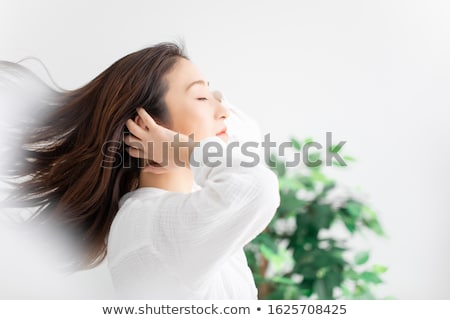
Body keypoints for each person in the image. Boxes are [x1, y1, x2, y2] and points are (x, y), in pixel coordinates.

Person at [0, 42, 280, 299]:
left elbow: (247, 136)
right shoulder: (150, 226)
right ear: (146, 127)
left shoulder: (188, 205)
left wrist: (208, 101)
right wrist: (179, 148)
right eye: (201, 98)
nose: (224, 111)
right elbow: (257, 189)